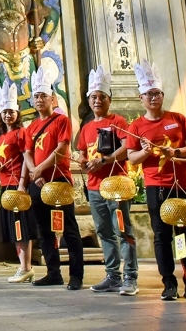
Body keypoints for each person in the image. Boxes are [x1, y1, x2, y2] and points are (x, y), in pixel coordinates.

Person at [126, 61, 186, 302]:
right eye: (148, 94)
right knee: (162, 236)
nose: (153, 97)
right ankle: (168, 282)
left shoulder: (178, 119)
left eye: (157, 93)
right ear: (141, 97)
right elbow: (132, 159)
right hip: (156, 187)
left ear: (162, 95)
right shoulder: (136, 126)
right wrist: (146, 152)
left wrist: (178, 153)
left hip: (183, 185)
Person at [73, 65, 137, 296]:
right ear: (89, 101)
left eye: (102, 97)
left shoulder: (118, 121)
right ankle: (112, 275)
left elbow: (127, 145)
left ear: (109, 100)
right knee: (104, 232)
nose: (97, 100)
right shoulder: (87, 127)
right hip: (94, 187)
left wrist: (107, 160)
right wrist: (82, 161)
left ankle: (130, 276)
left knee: (123, 230)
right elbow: (82, 151)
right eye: (93, 97)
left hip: (116, 186)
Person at [19, 63, 84, 289]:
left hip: (58, 180)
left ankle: (76, 275)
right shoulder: (30, 127)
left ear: (52, 98)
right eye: (36, 96)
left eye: (43, 96)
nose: (39, 100)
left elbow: (61, 150)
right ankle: (53, 272)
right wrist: (34, 172)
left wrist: (39, 168)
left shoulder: (61, 120)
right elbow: (27, 153)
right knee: (44, 230)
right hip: (38, 182)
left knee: (69, 229)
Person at [0, 82, 33, 284]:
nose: (8, 115)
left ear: (17, 113)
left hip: (17, 183)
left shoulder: (21, 132)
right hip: (5, 184)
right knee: (12, 227)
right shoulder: (1, 137)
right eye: (4, 112)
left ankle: (26, 267)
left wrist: (23, 183)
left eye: (11, 111)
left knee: (20, 226)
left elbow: (26, 157)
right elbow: (2, 159)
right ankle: (22, 266)